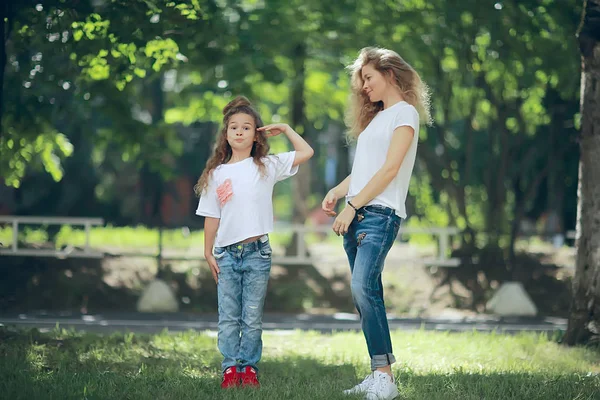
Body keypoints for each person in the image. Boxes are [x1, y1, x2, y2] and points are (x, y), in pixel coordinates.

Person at [322, 47, 431, 400]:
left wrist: (351, 206)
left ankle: (385, 378)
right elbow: (365, 170)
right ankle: (377, 373)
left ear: (391, 75)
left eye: (368, 78)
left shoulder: (405, 114)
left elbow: (390, 170)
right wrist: (338, 192)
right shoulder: (376, 120)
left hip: (379, 215)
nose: (363, 86)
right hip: (358, 213)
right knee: (365, 294)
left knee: (362, 289)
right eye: (361, 81)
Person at [195, 96, 314, 389]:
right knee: (228, 317)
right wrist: (207, 252)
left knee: (251, 317)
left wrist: (285, 128)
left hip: (257, 253)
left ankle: (248, 369)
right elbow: (211, 216)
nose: (238, 131)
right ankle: (229, 370)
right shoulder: (216, 174)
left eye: (246, 127)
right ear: (225, 135)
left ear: (256, 134)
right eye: (233, 127)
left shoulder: (266, 166)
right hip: (225, 254)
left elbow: (306, 151)